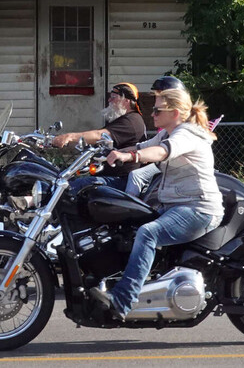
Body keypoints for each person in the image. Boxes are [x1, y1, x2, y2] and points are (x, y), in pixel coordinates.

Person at [90, 88, 224, 321]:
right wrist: (107, 153)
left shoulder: (187, 134)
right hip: (175, 205)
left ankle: (122, 301)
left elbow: (160, 153)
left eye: (157, 109)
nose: (152, 114)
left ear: (174, 112)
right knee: (126, 222)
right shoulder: (167, 134)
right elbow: (141, 147)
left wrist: (130, 158)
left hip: (198, 208)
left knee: (148, 233)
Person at [52, 82, 147, 191]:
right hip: (110, 176)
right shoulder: (122, 119)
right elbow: (95, 139)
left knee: (73, 188)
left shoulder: (131, 121)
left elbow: (99, 135)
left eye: (113, 97)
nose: (109, 100)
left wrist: (69, 136)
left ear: (127, 100)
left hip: (121, 181)